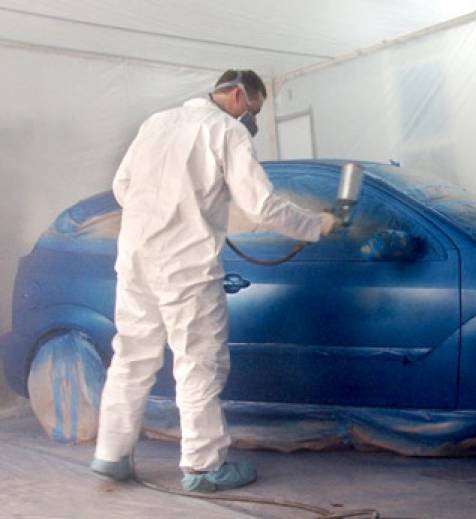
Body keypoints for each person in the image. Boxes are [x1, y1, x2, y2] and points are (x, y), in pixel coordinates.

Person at [90, 69, 340, 492]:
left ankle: (111, 455)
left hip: (135, 261)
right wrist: (318, 225)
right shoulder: (226, 131)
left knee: (132, 356)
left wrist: (167, 205)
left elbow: (122, 187)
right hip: (184, 267)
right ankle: (203, 468)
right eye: (254, 110)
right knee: (198, 363)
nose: (252, 122)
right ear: (239, 96)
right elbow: (261, 206)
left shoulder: (157, 122)